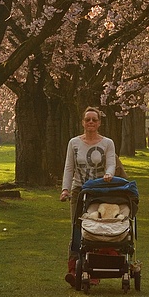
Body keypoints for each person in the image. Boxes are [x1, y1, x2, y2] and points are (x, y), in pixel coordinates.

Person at [59, 107, 117, 285]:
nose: (91, 122)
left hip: (100, 190)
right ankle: (73, 269)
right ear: (83, 123)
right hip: (79, 190)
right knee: (77, 230)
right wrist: (65, 189)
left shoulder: (107, 143)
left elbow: (111, 163)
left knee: (98, 228)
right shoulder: (74, 143)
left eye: (94, 120)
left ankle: (95, 270)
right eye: (87, 120)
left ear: (99, 123)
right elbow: (69, 167)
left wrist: (108, 174)